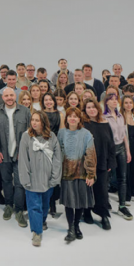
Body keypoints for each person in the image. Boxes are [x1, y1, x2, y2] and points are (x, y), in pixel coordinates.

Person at [18, 110, 63, 247]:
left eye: (37, 120)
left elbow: (57, 158)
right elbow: (23, 159)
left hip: (48, 178)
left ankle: (42, 220)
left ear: (43, 122)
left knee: (44, 204)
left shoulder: (52, 137)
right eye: (33, 120)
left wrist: (55, 177)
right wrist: (25, 178)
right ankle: (36, 232)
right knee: (34, 206)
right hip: (32, 178)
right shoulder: (26, 136)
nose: (34, 123)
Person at [0, 87, 30, 227]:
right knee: (6, 181)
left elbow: (30, 133)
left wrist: (24, 151)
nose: (9, 98)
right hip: (3, 153)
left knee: (20, 183)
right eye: (6, 95)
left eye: (11, 95)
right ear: (2, 98)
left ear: (15, 96)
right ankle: (8, 205)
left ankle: (19, 210)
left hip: (20, 154)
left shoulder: (25, 111)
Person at [58, 108, 96, 242]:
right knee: (69, 202)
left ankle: (76, 225)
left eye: (75, 116)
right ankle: (70, 228)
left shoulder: (86, 134)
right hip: (66, 173)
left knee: (80, 201)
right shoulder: (61, 133)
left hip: (81, 173)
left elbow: (91, 154)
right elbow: (58, 152)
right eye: (70, 116)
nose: (72, 119)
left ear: (80, 119)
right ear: (66, 118)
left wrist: (91, 174)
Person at [82, 98, 114, 230]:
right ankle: (87, 212)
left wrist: (110, 162)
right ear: (85, 110)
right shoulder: (83, 125)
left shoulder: (105, 123)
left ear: (98, 108)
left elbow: (111, 144)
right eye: (88, 107)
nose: (91, 110)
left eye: (93, 107)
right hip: (87, 163)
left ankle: (103, 215)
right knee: (87, 189)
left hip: (102, 162)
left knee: (102, 190)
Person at [103, 92, 133, 220]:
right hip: (109, 150)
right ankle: (105, 203)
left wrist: (128, 151)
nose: (115, 101)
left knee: (123, 178)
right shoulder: (104, 117)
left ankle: (122, 206)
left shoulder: (121, 116)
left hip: (121, 148)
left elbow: (124, 134)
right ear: (106, 102)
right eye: (111, 99)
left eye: (116, 99)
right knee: (107, 179)